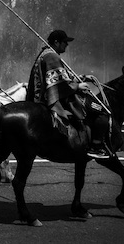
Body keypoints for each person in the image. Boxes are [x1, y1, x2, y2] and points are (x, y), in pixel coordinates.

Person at [26, 30, 111, 159]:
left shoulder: (47, 54)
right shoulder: (52, 57)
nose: (67, 45)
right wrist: (78, 86)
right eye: (65, 42)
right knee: (101, 111)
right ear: (56, 42)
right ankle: (96, 145)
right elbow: (61, 83)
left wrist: (83, 77)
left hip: (44, 95)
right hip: (50, 98)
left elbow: (63, 77)